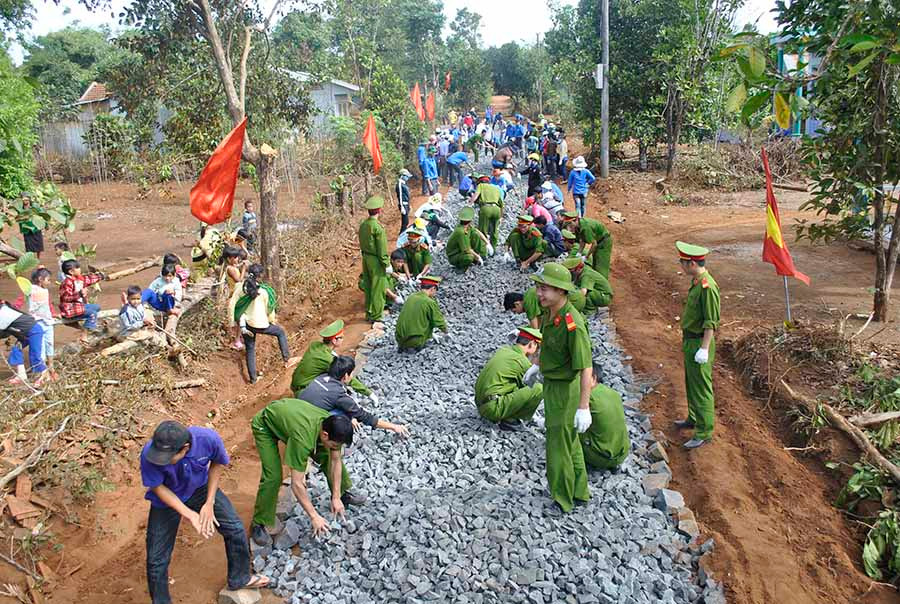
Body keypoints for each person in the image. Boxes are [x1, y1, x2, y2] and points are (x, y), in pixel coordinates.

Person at [141, 421, 268, 603]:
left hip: (199, 489)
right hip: (166, 500)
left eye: (168, 457)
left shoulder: (207, 439)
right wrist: (190, 514)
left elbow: (217, 462)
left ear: (184, 448)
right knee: (156, 559)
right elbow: (157, 487)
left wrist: (210, 502)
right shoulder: (150, 454)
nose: (162, 459)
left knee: (235, 528)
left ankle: (240, 578)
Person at [530, 263, 593, 512]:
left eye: (544, 289)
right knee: (570, 442)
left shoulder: (572, 323)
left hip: (565, 390)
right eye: (538, 287)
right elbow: (549, 344)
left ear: (561, 291)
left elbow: (585, 367)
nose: (539, 293)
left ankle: (562, 499)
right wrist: (538, 363)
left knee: (557, 444)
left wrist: (583, 406)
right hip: (554, 384)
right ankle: (579, 492)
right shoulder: (553, 313)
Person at [250, 399, 357, 545]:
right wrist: (314, 516)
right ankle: (258, 523)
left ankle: (342, 495)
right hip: (266, 425)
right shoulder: (302, 438)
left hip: (290, 419)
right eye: (334, 445)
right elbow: (297, 484)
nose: (335, 447)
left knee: (327, 456)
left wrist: (336, 496)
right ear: (325, 435)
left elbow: (335, 461)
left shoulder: (331, 424)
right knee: (273, 476)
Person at [674, 241, 721, 449]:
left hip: (700, 342)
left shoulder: (707, 287)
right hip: (690, 340)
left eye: (683, 263)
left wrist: (704, 347)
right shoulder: (696, 282)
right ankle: (693, 418)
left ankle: (704, 431)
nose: (681, 267)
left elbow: (711, 321)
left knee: (701, 388)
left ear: (692, 264)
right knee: (691, 383)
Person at [297, 355, 409, 437]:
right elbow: (364, 416)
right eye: (351, 374)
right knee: (343, 418)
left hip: (297, 411)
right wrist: (394, 427)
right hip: (306, 425)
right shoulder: (338, 393)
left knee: (344, 408)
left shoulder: (322, 377)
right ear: (345, 376)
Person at [233, 264, 298, 384]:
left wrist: (236, 321)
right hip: (261, 324)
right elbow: (269, 310)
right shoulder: (264, 292)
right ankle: (287, 359)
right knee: (280, 333)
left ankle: (253, 379)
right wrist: (272, 320)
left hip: (247, 324)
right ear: (260, 276)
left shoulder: (241, 289)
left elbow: (235, 305)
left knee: (250, 349)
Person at [474, 326, 544, 431]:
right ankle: (511, 420)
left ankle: (504, 414)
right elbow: (531, 384)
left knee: (515, 384)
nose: (536, 352)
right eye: (537, 347)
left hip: (481, 404)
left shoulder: (504, 350)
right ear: (531, 344)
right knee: (538, 388)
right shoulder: (521, 361)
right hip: (492, 409)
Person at [291, 319, 374, 398]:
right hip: (303, 390)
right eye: (341, 337)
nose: (343, 338)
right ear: (334, 341)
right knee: (335, 384)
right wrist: (368, 393)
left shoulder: (315, 345)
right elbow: (346, 377)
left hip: (295, 384)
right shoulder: (329, 359)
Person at [580, 363, 630, 470]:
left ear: (593, 378)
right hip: (623, 453)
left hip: (600, 458)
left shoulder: (586, 397)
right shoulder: (613, 393)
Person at [358, 196, 391, 323]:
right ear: (380, 210)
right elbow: (382, 249)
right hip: (376, 260)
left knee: (368, 285)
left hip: (365, 257)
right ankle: (377, 315)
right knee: (378, 288)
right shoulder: (378, 228)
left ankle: (369, 313)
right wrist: (386, 263)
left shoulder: (364, 225)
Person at [395, 276, 448, 351]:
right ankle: (417, 345)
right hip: (415, 341)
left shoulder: (411, 297)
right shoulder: (429, 302)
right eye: (436, 290)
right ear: (432, 288)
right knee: (430, 317)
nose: (435, 293)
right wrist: (446, 332)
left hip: (399, 339)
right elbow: (438, 321)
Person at [0, 301, 47, 386]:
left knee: (35, 355)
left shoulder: (3, 313)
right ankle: (21, 375)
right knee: (16, 350)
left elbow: (2, 333)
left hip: (34, 332)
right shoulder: (5, 309)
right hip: (25, 334)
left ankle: (43, 377)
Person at [560, 211, 613, 279]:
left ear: (575, 220)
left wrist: (586, 257)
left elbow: (594, 244)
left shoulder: (585, 227)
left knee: (601, 263)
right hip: (598, 240)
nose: (570, 226)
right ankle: (595, 278)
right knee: (595, 261)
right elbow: (582, 240)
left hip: (604, 241)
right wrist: (579, 253)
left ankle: (602, 281)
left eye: (570, 223)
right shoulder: (579, 226)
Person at [59, 259, 104, 335]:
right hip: (70, 308)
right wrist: (79, 294)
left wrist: (101, 276)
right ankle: (84, 334)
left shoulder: (79, 279)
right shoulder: (67, 283)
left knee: (97, 307)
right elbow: (65, 298)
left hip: (78, 306)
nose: (80, 269)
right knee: (92, 313)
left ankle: (76, 324)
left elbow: (89, 279)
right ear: (71, 272)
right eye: (77, 268)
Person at [27, 268, 57, 378]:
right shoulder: (31, 289)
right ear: (40, 279)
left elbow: (47, 305)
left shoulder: (45, 291)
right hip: (37, 322)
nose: (49, 282)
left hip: (48, 321)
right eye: (48, 280)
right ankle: (43, 371)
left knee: (49, 344)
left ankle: (51, 367)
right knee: (41, 348)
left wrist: (53, 314)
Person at [142, 264, 183, 336]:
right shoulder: (158, 280)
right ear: (162, 275)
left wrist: (174, 292)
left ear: (174, 275)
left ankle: (170, 310)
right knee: (148, 291)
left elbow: (179, 294)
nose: (167, 278)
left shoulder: (176, 282)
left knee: (167, 293)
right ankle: (137, 301)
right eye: (165, 276)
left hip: (169, 304)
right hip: (159, 303)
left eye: (170, 276)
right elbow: (150, 290)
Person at [470, 175, 503, 248]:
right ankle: (493, 249)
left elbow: (475, 196)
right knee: (494, 231)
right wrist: (501, 216)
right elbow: (501, 204)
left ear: (480, 182)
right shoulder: (496, 188)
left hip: (486, 208)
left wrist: (469, 204)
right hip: (497, 209)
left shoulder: (481, 186)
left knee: (482, 231)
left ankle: (483, 251)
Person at [446, 207, 483, 271]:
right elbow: (467, 250)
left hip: (460, 251)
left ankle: (475, 260)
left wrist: (487, 243)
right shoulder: (461, 232)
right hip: (454, 256)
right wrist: (477, 256)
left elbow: (477, 232)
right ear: (470, 221)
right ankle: (461, 268)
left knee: (475, 235)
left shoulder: (467, 227)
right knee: (469, 257)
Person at [17, 194, 43, 258]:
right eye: (23, 200)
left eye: (26, 200)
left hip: (36, 227)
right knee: (28, 245)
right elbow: (19, 220)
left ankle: (38, 258)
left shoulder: (35, 207)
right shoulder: (20, 210)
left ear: (29, 200)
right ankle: (31, 258)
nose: (25, 201)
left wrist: (45, 225)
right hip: (26, 229)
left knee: (38, 243)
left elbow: (42, 215)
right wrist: (21, 229)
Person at [396, 169, 412, 235]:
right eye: (406, 176)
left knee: (406, 221)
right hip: (403, 205)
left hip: (406, 204)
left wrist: (409, 205)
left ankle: (403, 233)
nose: (407, 178)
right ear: (402, 176)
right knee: (405, 221)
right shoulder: (399, 184)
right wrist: (402, 207)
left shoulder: (404, 184)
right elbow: (400, 196)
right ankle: (402, 234)